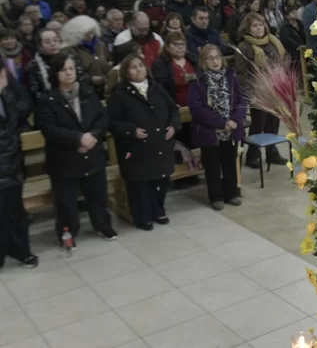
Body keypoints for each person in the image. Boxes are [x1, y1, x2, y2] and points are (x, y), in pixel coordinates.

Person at [36, 54, 117, 246]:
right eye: (63, 70)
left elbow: (102, 118)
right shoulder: (47, 99)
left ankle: (102, 225)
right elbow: (50, 130)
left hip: (92, 152)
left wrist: (94, 135)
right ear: (55, 73)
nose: (68, 73)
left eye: (71, 69)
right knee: (66, 202)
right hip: (65, 158)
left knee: (97, 195)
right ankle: (67, 232)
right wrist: (78, 139)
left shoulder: (87, 92)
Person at [108, 55, 180, 230]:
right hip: (136, 147)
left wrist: (173, 125)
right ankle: (143, 217)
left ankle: (158, 210)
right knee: (140, 184)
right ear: (126, 72)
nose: (138, 69)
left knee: (161, 180)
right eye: (133, 67)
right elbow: (111, 122)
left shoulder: (157, 88)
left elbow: (173, 110)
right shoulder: (119, 94)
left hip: (160, 144)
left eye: (140, 65)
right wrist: (131, 131)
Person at [189, 45, 246, 210]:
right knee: (213, 166)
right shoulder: (198, 83)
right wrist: (221, 123)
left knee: (230, 162)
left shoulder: (232, 78)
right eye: (210, 58)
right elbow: (197, 109)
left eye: (217, 57)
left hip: (231, 129)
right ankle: (216, 196)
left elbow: (242, 101)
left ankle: (232, 193)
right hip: (210, 131)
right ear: (203, 62)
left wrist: (235, 119)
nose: (215, 61)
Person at [235, 13, 288, 168]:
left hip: (275, 88)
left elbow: (285, 59)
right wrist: (250, 95)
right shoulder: (244, 47)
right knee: (259, 124)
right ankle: (253, 155)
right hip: (257, 91)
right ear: (247, 28)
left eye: (260, 24)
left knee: (274, 121)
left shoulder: (273, 42)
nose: (258, 28)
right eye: (254, 25)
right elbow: (242, 75)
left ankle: (272, 152)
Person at [0, 62, 36, 270]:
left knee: (16, 209)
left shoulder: (7, 86)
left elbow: (24, 100)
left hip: (12, 159)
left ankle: (22, 251)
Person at [61, 15, 111, 98]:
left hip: (106, 88)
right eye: (86, 33)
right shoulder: (68, 50)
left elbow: (108, 59)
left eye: (92, 32)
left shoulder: (100, 44)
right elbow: (72, 72)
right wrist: (91, 79)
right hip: (84, 92)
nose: (90, 36)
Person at [151, 31, 196, 106]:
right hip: (175, 105)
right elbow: (161, 90)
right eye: (176, 44)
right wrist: (171, 104)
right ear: (167, 47)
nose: (180, 47)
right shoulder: (160, 64)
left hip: (197, 102)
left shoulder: (193, 60)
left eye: (182, 44)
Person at [26, 28, 61, 105]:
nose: (53, 44)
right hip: (48, 105)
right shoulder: (33, 66)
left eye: (55, 40)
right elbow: (35, 92)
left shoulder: (70, 59)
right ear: (39, 45)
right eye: (47, 42)